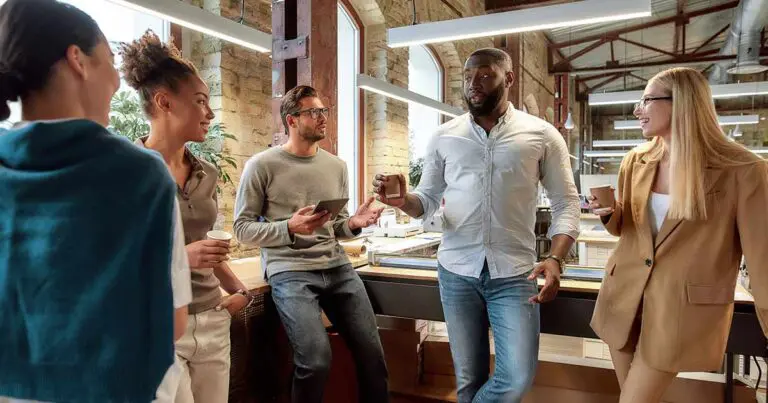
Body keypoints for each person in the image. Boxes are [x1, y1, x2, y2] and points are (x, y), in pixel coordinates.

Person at [0, 1, 190, 402]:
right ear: (77, 60)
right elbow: (171, 322)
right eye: (109, 62)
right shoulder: (141, 175)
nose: (117, 82)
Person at [373, 48, 580, 403]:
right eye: (468, 77)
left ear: (508, 78)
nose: (473, 84)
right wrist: (401, 201)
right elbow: (424, 202)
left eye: (485, 75)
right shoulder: (445, 136)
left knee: (516, 377)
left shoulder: (541, 135)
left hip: (515, 275)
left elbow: (566, 203)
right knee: (468, 380)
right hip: (456, 273)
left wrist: (557, 259)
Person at [588, 67, 768, 403]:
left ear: (681, 103)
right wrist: (610, 212)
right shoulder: (636, 160)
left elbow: (763, 259)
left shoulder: (743, 170)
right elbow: (628, 230)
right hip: (621, 299)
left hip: (678, 312)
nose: (637, 110)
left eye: (646, 100)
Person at [119, 31, 253, 403]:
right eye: (199, 102)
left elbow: (207, 248)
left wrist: (239, 290)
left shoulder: (207, 172)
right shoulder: (124, 172)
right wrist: (182, 259)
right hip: (159, 323)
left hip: (212, 317)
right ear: (164, 102)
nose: (210, 113)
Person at [233, 85, 389, 403]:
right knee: (316, 362)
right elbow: (242, 229)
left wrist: (354, 224)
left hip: (336, 267)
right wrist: (288, 227)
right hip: (289, 271)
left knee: (373, 357)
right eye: (313, 112)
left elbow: (335, 227)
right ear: (291, 120)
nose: (322, 118)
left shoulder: (336, 166)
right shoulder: (261, 165)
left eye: (324, 111)